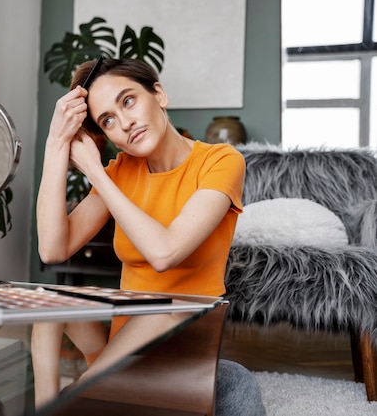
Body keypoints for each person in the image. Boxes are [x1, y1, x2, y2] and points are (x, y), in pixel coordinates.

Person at [32, 58, 265, 414]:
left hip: (184, 346)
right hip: (121, 351)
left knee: (165, 312)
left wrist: (95, 171)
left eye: (128, 101)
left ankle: (82, 393)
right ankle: (49, 407)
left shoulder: (220, 161)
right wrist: (55, 143)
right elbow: (52, 249)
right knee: (47, 301)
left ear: (159, 94)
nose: (125, 123)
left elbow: (165, 253)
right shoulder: (121, 172)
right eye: (108, 120)